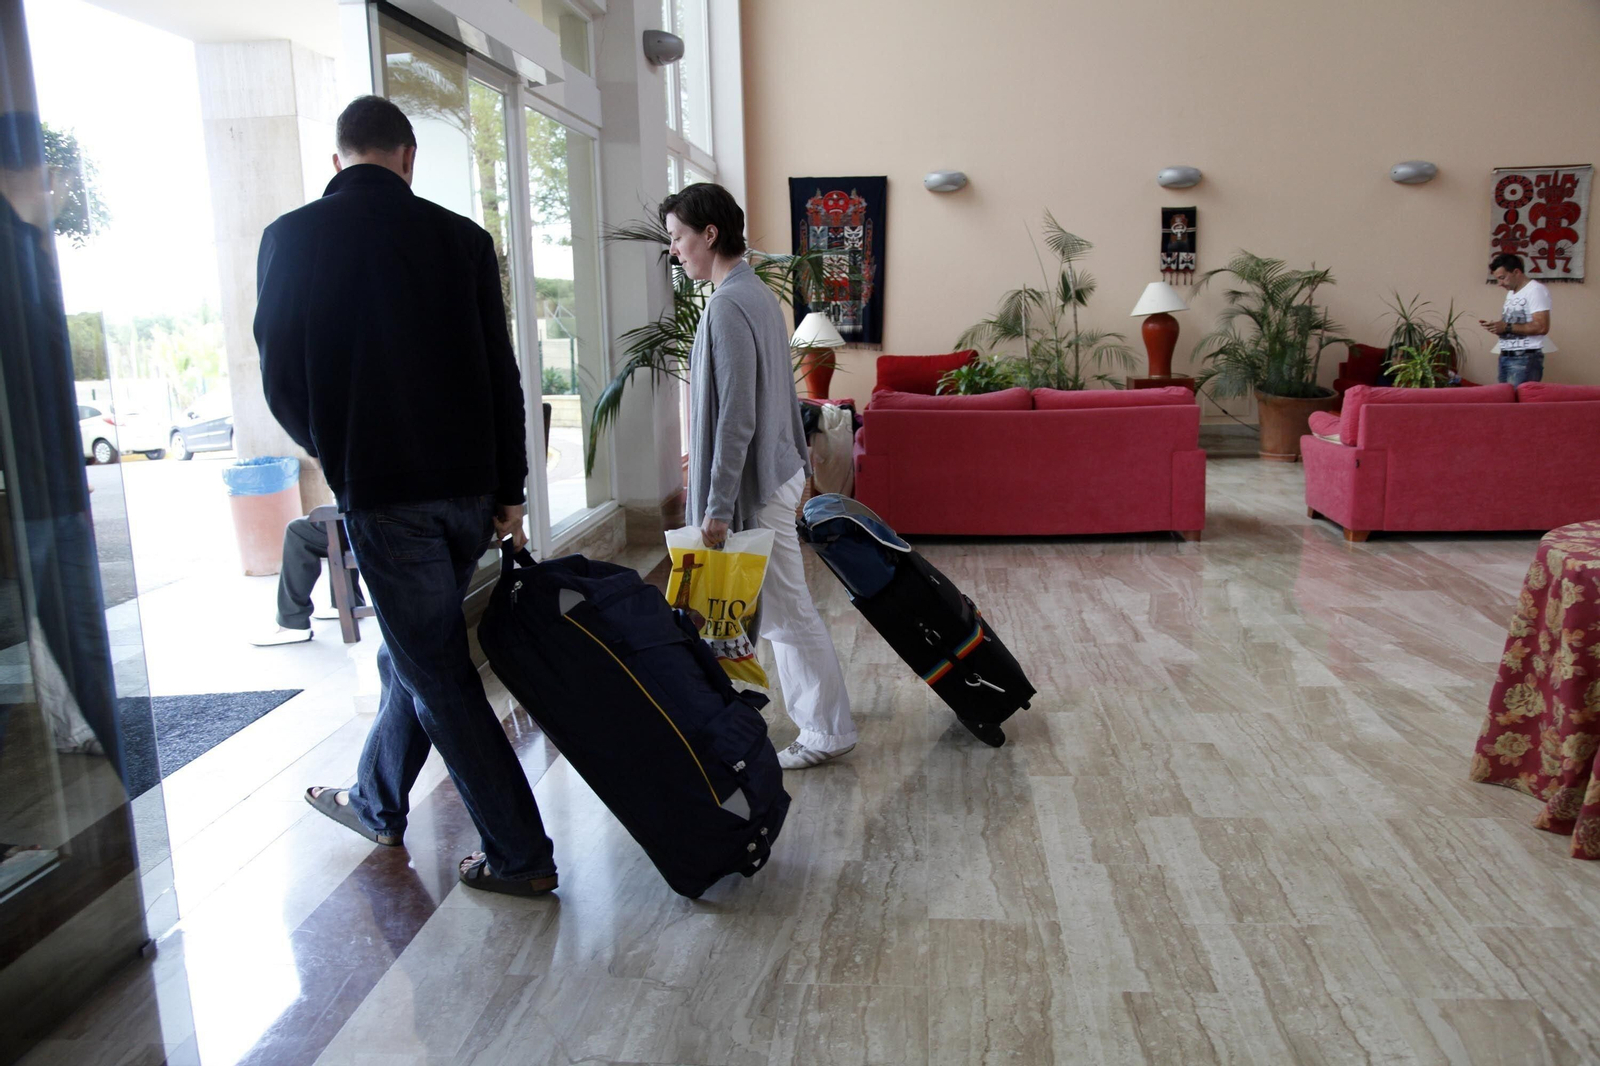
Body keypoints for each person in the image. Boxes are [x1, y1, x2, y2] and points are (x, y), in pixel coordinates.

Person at [255, 96, 556, 897]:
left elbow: (280, 377)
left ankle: (521, 853)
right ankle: (378, 799)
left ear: (337, 159)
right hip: (468, 494)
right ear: (408, 156)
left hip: (384, 493)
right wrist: (511, 488)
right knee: (414, 653)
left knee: (437, 671)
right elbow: (501, 375)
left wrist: (337, 451)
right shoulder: (462, 240)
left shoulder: (292, 237)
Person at [662, 182, 858, 770]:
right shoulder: (756, 295)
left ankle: (826, 729)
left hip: (756, 483)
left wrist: (718, 506)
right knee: (780, 610)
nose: (674, 250)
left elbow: (738, 415)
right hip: (774, 473)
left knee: (787, 610)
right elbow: (780, 396)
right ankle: (821, 719)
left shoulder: (728, 304)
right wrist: (800, 465)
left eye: (678, 237)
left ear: (709, 234)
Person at [249, 515, 367, 646]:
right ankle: (345, 601)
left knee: (298, 530)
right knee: (337, 517)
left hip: (372, 524)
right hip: (378, 522)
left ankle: (293, 622)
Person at [1480, 252, 1552, 386]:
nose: (1499, 284)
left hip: (1524, 358)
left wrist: (1506, 327)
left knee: (1518, 399)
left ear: (1516, 272)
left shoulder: (1535, 290)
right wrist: (1498, 328)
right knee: (1505, 398)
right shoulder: (1511, 293)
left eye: (1502, 278)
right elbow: (1514, 325)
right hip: (1506, 356)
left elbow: (1542, 327)